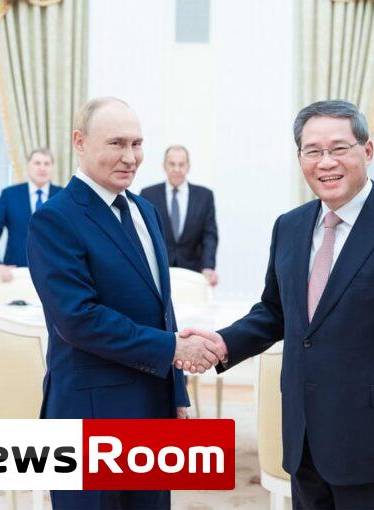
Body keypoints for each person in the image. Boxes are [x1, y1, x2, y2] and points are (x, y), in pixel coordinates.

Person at [179, 100, 374, 509]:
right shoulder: (289, 226)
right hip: (304, 439)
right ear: (300, 158)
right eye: (313, 151)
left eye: (339, 148)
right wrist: (223, 343)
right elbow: (275, 311)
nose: (326, 162)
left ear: (367, 150)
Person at [26, 97, 225, 510]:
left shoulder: (145, 211)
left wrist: (177, 393)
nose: (130, 157)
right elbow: (78, 319)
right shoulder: (54, 219)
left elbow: (161, 308)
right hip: (89, 416)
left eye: (137, 144)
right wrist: (174, 349)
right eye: (116, 143)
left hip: (153, 408)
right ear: (79, 142)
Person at [140, 145, 219, 286]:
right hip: (157, 271)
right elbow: (142, 233)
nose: (176, 169)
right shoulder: (148, 195)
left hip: (193, 272)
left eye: (181, 164)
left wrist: (208, 266)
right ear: (164, 166)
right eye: (172, 164)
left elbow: (209, 235)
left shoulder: (204, 196)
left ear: (188, 166)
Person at [0, 149, 62, 281]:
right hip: (15, 274)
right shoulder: (10, 195)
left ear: (52, 168)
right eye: (37, 163)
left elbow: (74, 236)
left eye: (47, 164)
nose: (42, 168)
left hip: (55, 275)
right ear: (28, 166)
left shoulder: (63, 196)